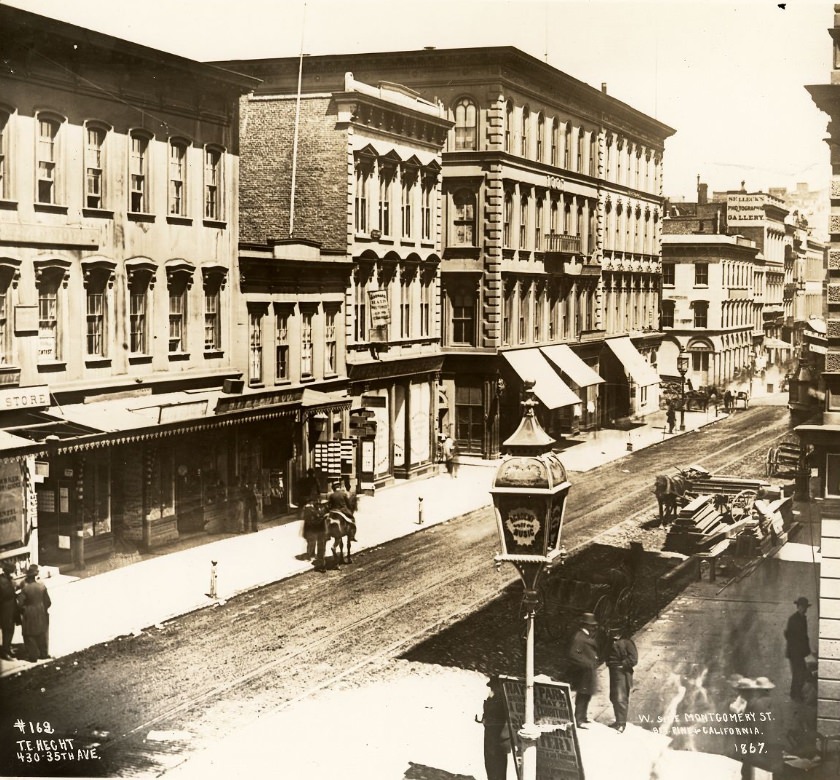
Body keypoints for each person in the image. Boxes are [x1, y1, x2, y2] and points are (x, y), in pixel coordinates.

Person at [566, 612, 600, 728]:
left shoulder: (586, 636)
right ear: (585, 625)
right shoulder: (579, 637)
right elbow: (573, 655)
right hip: (584, 673)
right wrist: (587, 664)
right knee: (582, 695)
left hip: (588, 672)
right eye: (591, 625)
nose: (594, 627)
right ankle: (579, 720)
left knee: (587, 695)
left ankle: (583, 717)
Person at [476, 675, 511, 780]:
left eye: (493, 687)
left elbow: (500, 718)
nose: (492, 689)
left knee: (498, 766)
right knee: (490, 764)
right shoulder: (492, 698)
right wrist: (483, 719)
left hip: (499, 738)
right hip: (490, 737)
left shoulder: (503, 701)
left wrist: (487, 720)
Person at [606, 625, 638, 733]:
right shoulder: (611, 642)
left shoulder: (627, 643)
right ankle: (618, 721)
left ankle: (621, 724)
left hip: (622, 673)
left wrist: (622, 665)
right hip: (613, 672)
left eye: (615, 632)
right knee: (614, 697)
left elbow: (634, 659)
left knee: (621, 698)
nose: (612, 635)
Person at [18, 564, 50, 663]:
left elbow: (20, 604)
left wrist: (23, 610)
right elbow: (48, 602)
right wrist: (42, 608)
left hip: (29, 612)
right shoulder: (42, 586)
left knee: (29, 634)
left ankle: (33, 657)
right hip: (41, 611)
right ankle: (44, 654)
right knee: (41, 632)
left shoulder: (25, 589)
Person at [785, 596, 812, 701]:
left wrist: (806, 650)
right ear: (798, 607)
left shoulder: (803, 618)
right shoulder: (793, 619)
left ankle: (795, 693)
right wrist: (796, 648)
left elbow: (804, 636)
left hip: (800, 652)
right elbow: (788, 634)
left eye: (805, 607)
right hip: (794, 652)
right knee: (798, 673)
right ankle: (796, 694)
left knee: (800, 672)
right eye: (802, 607)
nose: (804, 609)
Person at [0, 560, 17, 660]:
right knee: (8, 631)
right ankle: (5, 652)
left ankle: (7, 648)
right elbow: (8, 595)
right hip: (6, 611)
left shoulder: (4, 579)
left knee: (8, 631)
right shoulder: (5, 583)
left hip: (7, 610)